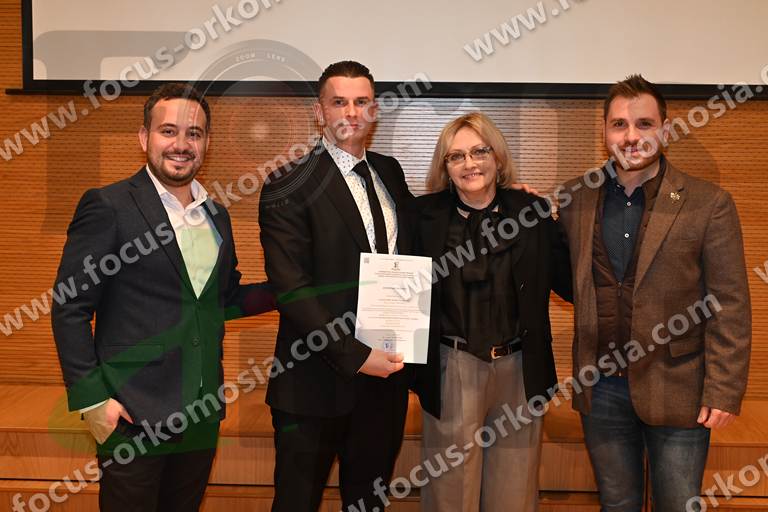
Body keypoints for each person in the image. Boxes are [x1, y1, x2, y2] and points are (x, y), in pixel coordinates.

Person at [51, 83, 274, 511]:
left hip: (201, 412)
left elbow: (222, 300)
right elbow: (69, 307)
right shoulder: (109, 205)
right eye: (168, 131)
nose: (181, 144)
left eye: (194, 134)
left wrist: (286, 291)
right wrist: (94, 401)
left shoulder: (216, 216)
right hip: (131, 415)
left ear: (206, 143)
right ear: (144, 137)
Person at [557, 75, 751, 511]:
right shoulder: (575, 198)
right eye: (619, 125)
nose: (631, 136)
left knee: (677, 503)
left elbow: (730, 304)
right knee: (616, 503)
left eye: (644, 124)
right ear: (605, 132)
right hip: (601, 387)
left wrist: (724, 389)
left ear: (665, 129)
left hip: (679, 387)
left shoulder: (708, 203)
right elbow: (558, 269)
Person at [258, 61, 415, 511]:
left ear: (374, 111)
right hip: (312, 385)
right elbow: (292, 288)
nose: (351, 112)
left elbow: (422, 242)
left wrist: (503, 195)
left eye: (361, 102)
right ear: (319, 112)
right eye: (339, 102)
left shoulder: (390, 172)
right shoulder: (288, 183)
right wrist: (356, 355)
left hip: (384, 386)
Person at [411, 112, 572, 512]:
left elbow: (570, 283)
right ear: (445, 167)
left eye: (480, 151)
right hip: (452, 367)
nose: (470, 164)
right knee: (450, 494)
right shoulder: (421, 216)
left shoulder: (532, 211)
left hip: (520, 369)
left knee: (514, 494)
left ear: (497, 157)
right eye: (456, 156)